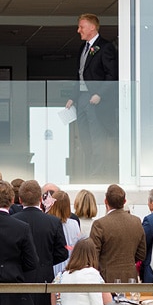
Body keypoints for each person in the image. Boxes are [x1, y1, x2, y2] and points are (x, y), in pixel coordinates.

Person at [64, 13, 118, 180]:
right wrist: (73, 97)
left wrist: (99, 94)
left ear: (92, 27)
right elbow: (79, 75)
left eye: (82, 26)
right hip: (81, 98)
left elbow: (112, 75)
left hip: (95, 100)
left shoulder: (106, 47)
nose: (78, 30)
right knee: (84, 136)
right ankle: (88, 172)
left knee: (96, 137)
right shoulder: (83, 48)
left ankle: (97, 175)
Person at [88, 184, 146, 286]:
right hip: (130, 278)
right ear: (124, 201)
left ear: (106, 201)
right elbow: (141, 254)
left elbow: (93, 257)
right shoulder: (136, 222)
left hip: (106, 279)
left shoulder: (100, 224)